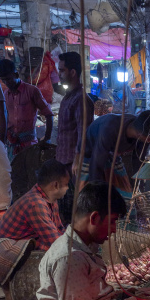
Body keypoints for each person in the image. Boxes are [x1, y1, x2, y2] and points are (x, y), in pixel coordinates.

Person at [0, 159, 69, 300]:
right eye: (66, 185)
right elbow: (56, 243)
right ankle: (10, 293)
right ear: (56, 185)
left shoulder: (50, 200)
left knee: (46, 247)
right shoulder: (36, 204)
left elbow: (59, 230)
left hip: (14, 251)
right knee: (49, 251)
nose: (67, 189)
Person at [83, 110, 150, 199]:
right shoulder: (110, 128)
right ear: (140, 134)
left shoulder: (143, 134)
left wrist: (138, 189)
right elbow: (96, 163)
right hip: (90, 152)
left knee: (126, 196)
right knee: (94, 194)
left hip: (112, 154)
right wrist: (95, 192)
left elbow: (138, 161)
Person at [55, 52, 94, 224]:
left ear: (72, 72)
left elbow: (83, 132)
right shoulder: (67, 98)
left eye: (62, 71)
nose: (59, 74)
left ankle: (75, 244)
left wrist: (78, 159)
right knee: (64, 207)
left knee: (74, 209)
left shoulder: (81, 100)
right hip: (65, 163)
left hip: (74, 166)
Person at [0, 59, 53, 160]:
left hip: (29, 145)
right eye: (3, 80)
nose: (6, 83)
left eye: (9, 79)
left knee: (30, 172)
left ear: (16, 75)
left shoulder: (32, 91)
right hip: (11, 145)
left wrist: (47, 138)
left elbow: (48, 114)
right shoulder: (5, 94)